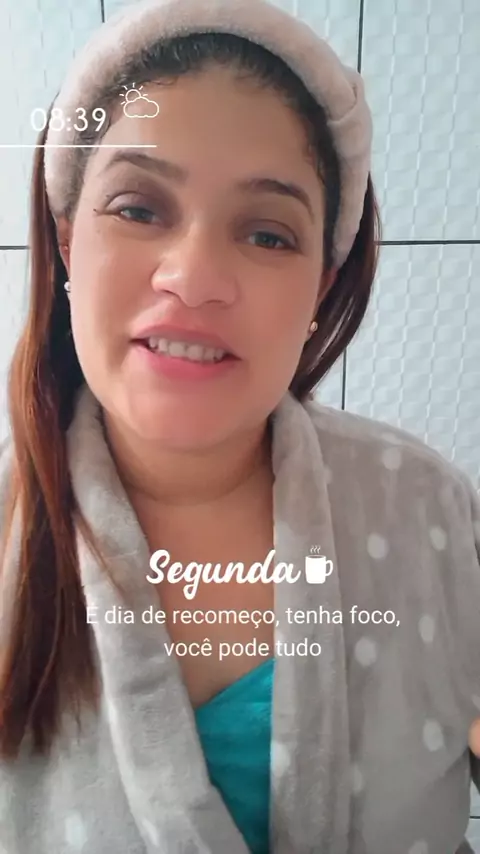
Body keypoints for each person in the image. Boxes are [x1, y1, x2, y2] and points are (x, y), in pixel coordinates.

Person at [0, 0, 479, 851]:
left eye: (267, 233)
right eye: (139, 209)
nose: (194, 277)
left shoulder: (425, 508)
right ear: (68, 245)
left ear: (320, 288)